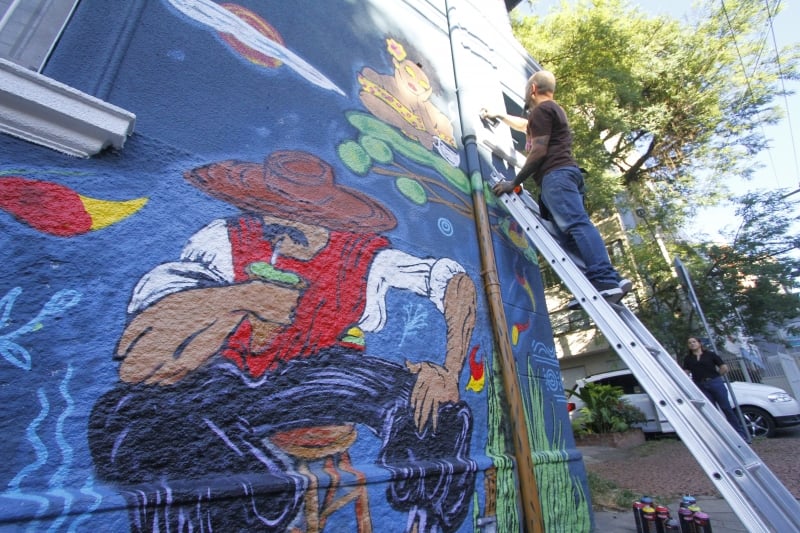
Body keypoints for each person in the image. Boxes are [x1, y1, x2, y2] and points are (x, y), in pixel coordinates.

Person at [88, 150, 478, 533]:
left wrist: (449, 371)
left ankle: (427, 518)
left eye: (300, 221)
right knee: (135, 416)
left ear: (327, 217)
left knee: (432, 406)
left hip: (310, 376)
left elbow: (454, 282)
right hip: (224, 379)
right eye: (273, 217)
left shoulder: (361, 256)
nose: (282, 236)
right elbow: (140, 358)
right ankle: (250, 496)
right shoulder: (224, 241)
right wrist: (241, 297)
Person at [485, 70, 630, 303]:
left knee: (576, 224)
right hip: (565, 175)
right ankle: (611, 278)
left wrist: (514, 183)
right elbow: (526, 126)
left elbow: (538, 151)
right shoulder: (551, 111)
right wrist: (500, 115)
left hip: (556, 176)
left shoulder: (542, 111)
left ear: (533, 88)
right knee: (569, 237)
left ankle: (605, 280)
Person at [683, 336, 749, 440]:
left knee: (726, 408)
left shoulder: (710, 354)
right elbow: (686, 371)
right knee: (712, 411)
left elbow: (724, 367)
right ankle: (722, 436)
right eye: (690, 343)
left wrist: (716, 376)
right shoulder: (688, 358)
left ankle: (740, 435)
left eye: (694, 342)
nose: (692, 344)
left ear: (699, 343)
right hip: (701, 385)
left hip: (715, 383)